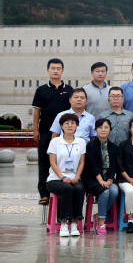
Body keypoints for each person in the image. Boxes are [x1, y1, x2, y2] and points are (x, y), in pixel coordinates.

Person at [32, 58, 74, 205]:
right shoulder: (41, 90)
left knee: (64, 162)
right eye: (53, 68)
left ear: (62, 71)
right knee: (44, 163)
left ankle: (63, 189)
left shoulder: (69, 90)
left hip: (65, 133)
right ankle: (44, 194)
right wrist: (35, 129)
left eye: (58, 68)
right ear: (48, 70)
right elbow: (37, 111)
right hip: (45, 132)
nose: (55, 71)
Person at [46, 113, 87, 237]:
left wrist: (76, 177)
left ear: (77, 126)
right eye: (66, 123)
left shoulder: (81, 142)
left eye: (73, 123)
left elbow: (82, 163)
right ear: (61, 126)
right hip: (55, 178)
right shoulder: (55, 141)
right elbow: (53, 163)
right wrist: (63, 177)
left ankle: (74, 222)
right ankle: (63, 222)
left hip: (74, 177)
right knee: (67, 189)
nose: (70, 126)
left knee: (79, 188)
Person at [83, 118, 119, 234]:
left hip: (107, 179)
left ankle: (98, 216)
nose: (103, 130)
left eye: (106, 127)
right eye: (100, 127)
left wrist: (109, 180)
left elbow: (114, 166)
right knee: (105, 191)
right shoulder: (90, 145)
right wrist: (100, 180)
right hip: (92, 179)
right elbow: (92, 165)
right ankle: (101, 223)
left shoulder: (114, 147)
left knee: (114, 190)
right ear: (96, 130)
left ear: (110, 130)